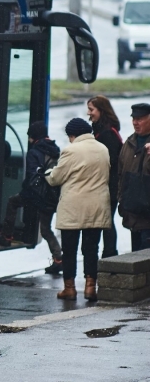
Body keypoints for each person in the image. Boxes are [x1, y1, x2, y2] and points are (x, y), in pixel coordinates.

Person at [45, 118, 111, 301]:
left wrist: (46, 173)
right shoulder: (103, 149)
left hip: (74, 207)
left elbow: (56, 178)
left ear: (73, 135)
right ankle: (90, 287)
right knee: (91, 248)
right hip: (97, 205)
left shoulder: (70, 150)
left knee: (70, 248)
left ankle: (70, 288)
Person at [0, 121, 63, 274]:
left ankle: (7, 236)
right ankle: (58, 258)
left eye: (29, 136)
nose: (28, 139)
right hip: (52, 195)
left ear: (34, 136)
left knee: (13, 202)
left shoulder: (34, 152)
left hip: (36, 194)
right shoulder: (55, 149)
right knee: (46, 229)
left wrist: (25, 191)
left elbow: (31, 177)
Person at [87, 95, 123, 258]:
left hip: (109, 186)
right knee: (105, 221)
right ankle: (109, 254)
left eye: (91, 109)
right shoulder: (103, 130)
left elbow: (110, 161)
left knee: (106, 221)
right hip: (106, 185)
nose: (89, 113)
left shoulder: (107, 133)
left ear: (101, 110)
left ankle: (109, 255)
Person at [117, 103, 150, 252]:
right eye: (134, 119)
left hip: (148, 217)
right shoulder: (129, 143)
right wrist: (122, 202)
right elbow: (121, 175)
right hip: (133, 215)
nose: (135, 123)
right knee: (136, 262)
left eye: (140, 119)